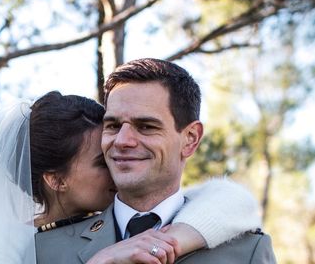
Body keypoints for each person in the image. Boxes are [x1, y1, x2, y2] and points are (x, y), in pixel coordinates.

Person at [0, 89, 263, 264]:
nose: (118, 163)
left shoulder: (106, 219)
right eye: (101, 161)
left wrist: (173, 241)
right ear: (56, 179)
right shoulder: (0, 241)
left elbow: (234, 201)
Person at [35, 59, 277, 263]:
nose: (122, 140)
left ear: (190, 139)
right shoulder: (42, 249)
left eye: (146, 126)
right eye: (113, 125)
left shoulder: (247, 252)